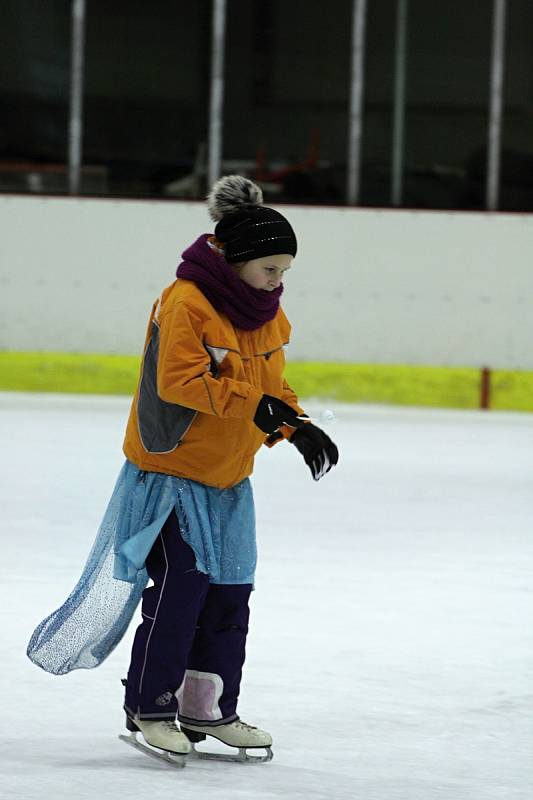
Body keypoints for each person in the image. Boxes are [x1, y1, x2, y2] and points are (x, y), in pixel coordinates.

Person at [27, 174, 338, 764]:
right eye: (271, 269)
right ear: (238, 259)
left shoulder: (266, 309)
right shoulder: (186, 302)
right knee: (181, 588)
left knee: (229, 593)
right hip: (169, 476)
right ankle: (152, 705)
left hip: (227, 476)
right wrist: (258, 406)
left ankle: (208, 708)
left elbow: (269, 386)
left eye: (284, 271)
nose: (279, 281)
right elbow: (179, 382)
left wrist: (294, 424)